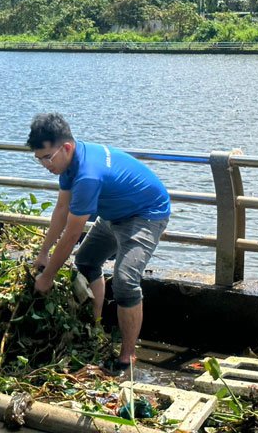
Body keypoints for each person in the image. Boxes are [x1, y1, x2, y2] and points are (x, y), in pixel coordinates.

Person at [26, 113, 171, 371]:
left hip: (145, 214)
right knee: (86, 261)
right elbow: (61, 209)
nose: (45, 165)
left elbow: (71, 234)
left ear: (66, 147)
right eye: (39, 160)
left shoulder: (87, 175)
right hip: (114, 213)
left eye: (47, 157)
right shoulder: (68, 164)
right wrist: (43, 253)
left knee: (125, 282)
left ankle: (126, 358)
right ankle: (95, 326)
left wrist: (47, 277)